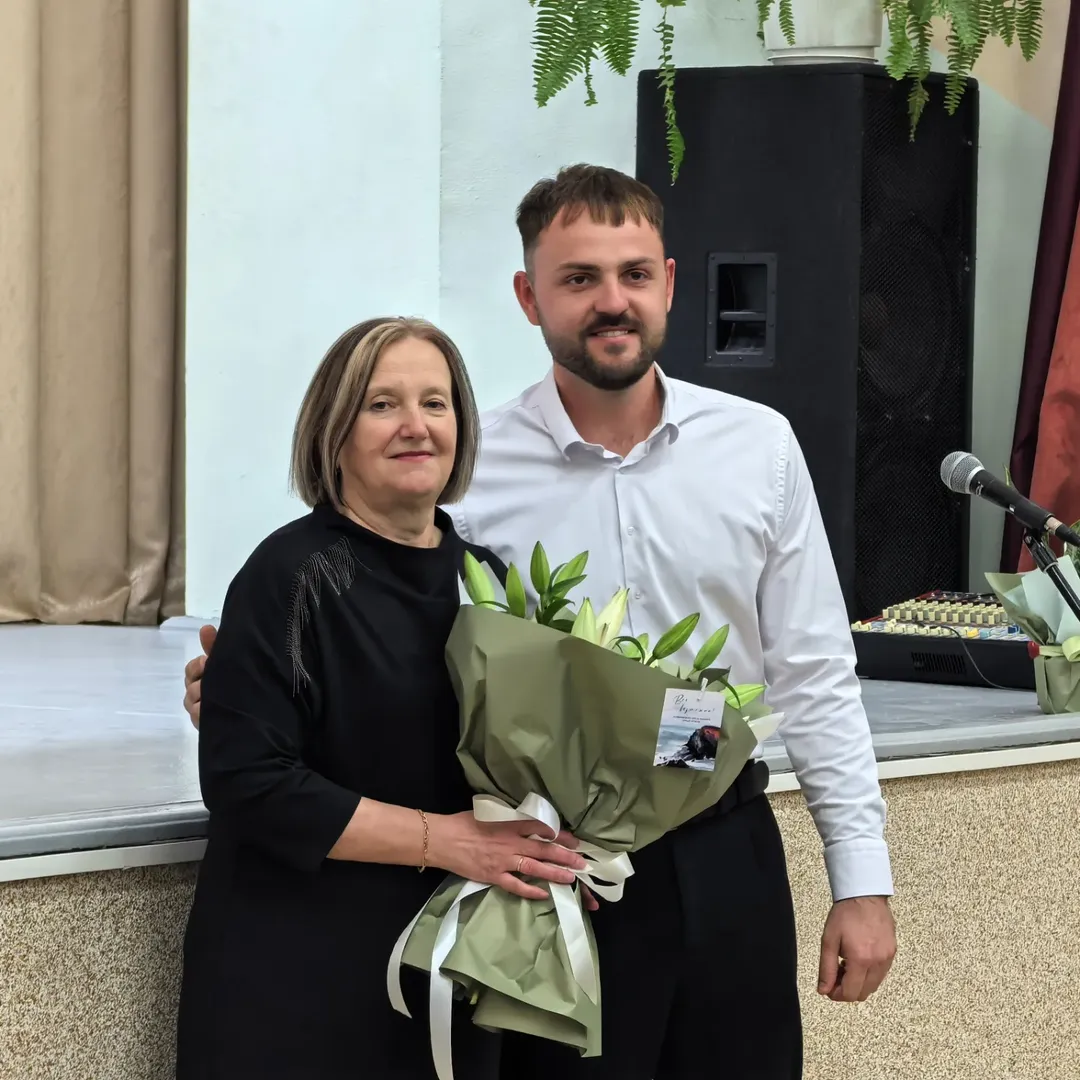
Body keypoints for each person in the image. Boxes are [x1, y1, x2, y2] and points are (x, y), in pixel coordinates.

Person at [183, 166, 897, 1079]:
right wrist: (250, 691)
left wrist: (861, 879)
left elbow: (816, 674)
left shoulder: (759, 447)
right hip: (560, 874)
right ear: (529, 297)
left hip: (726, 847)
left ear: (669, 283)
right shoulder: (470, 477)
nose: (612, 301)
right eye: (579, 278)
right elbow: (392, 636)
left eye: (633, 274)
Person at [174, 315, 589, 1080]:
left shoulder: (491, 584)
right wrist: (448, 841)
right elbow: (247, 781)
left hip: (450, 969)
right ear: (333, 432)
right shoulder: (289, 574)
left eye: (435, 403)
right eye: (382, 404)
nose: (415, 426)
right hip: (298, 981)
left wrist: (560, 847)